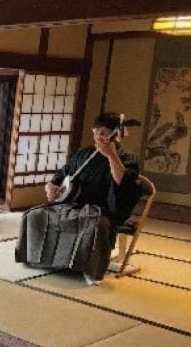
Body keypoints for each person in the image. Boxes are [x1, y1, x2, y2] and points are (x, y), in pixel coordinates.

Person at [43, 111, 140, 283]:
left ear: (115, 135)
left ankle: (89, 267)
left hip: (103, 209)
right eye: (97, 132)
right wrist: (51, 187)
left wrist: (111, 155)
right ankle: (46, 260)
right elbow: (60, 177)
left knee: (93, 223)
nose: (99, 137)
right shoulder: (84, 153)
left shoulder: (127, 157)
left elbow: (123, 183)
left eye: (104, 133)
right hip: (74, 205)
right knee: (36, 215)